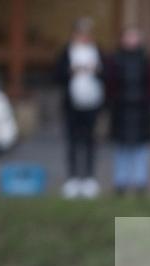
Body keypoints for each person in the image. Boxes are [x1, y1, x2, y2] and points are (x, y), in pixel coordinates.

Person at [56, 17, 105, 199]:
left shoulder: (97, 51)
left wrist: (97, 70)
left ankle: (89, 178)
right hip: (72, 105)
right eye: (80, 32)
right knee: (72, 141)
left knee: (90, 141)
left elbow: (107, 74)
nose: (84, 36)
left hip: (92, 104)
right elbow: (56, 75)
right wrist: (70, 71)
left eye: (87, 33)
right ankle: (73, 178)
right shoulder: (66, 52)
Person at [108, 26, 150, 197]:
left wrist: (149, 101)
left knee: (140, 148)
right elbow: (110, 83)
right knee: (121, 147)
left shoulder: (146, 60)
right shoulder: (115, 60)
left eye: (134, 36)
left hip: (141, 109)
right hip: (121, 109)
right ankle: (120, 181)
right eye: (128, 37)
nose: (131, 40)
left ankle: (140, 181)